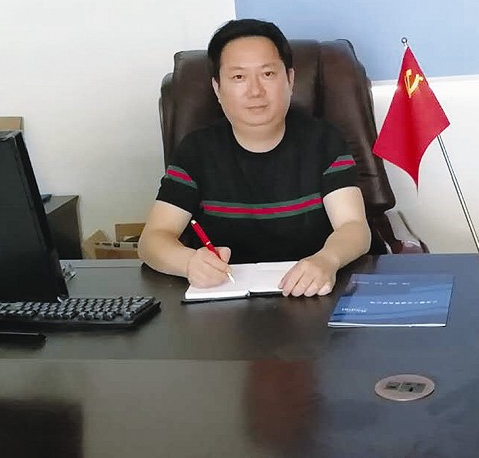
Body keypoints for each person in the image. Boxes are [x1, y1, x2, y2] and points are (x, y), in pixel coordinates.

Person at [138, 18, 370, 297]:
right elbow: (152, 240)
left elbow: (353, 227)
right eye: (238, 77)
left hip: (312, 294)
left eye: (268, 74)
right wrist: (188, 263)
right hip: (224, 302)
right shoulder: (196, 151)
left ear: (290, 80)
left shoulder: (324, 141)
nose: (255, 91)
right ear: (217, 89)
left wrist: (327, 260)